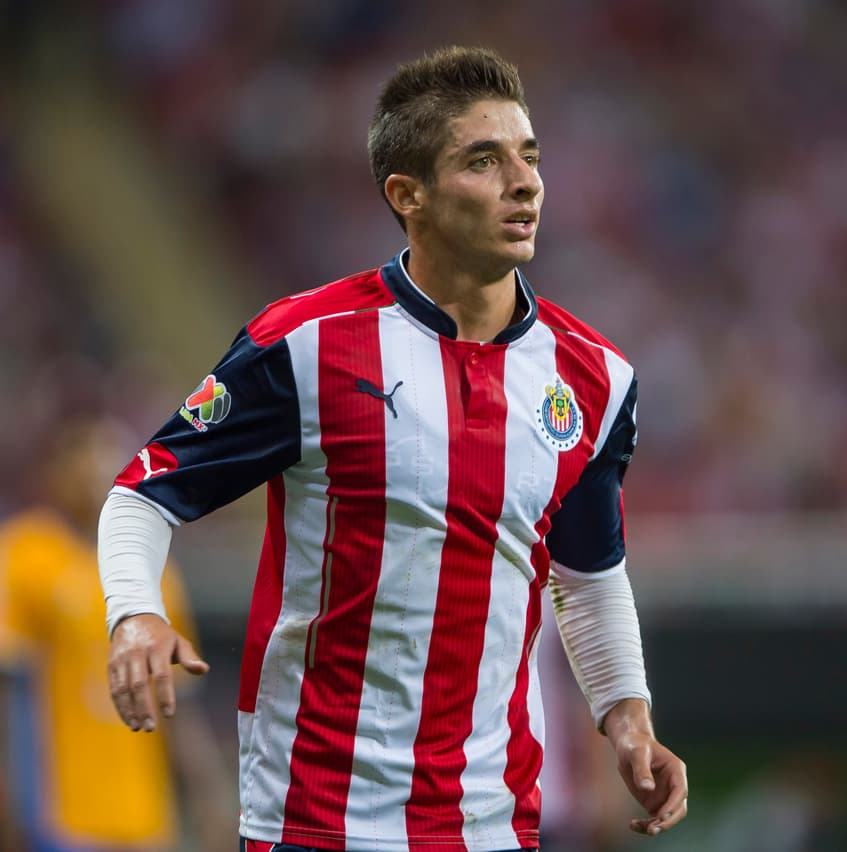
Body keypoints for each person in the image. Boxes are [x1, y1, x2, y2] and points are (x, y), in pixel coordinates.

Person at [97, 45, 688, 852]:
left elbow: (586, 575)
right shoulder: (305, 346)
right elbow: (142, 493)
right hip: (311, 817)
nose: (525, 182)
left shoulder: (594, 379)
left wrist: (627, 715)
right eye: (484, 160)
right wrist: (134, 614)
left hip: (492, 822)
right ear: (407, 195)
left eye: (530, 156)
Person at [0, 420, 232, 852]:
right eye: (87, 456)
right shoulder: (27, 554)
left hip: (144, 823)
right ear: (56, 469)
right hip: (61, 819)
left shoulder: (154, 572)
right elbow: (10, 692)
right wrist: (10, 799)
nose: (100, 470)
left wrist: (207, 796)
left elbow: (178, 705)